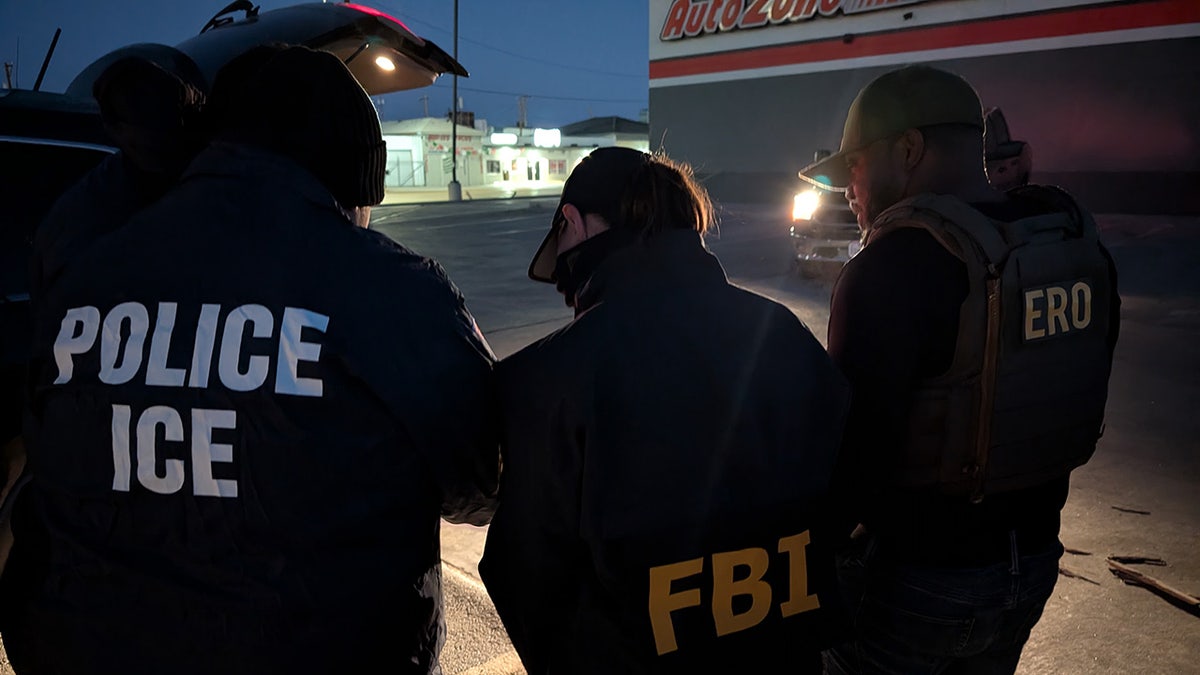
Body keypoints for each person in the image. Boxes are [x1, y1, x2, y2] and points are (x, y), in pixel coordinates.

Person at [20, 45, 499, 675]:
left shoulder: (85, 273)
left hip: (85, 644)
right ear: (347, 178)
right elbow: (484, 483)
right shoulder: (391, 290)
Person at [798, 65, 1120, 673]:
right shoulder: (1064, 244)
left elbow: (851, 460)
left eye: (855, 167)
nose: (849, 190)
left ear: (908, 150)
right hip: (1032, 563)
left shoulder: (889, 266)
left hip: (918, 583)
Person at [479, 147, 851, 674]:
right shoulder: (784, 334)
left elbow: (526, 572)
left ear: (572, 223)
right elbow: (844, 492)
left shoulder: (546, 377)